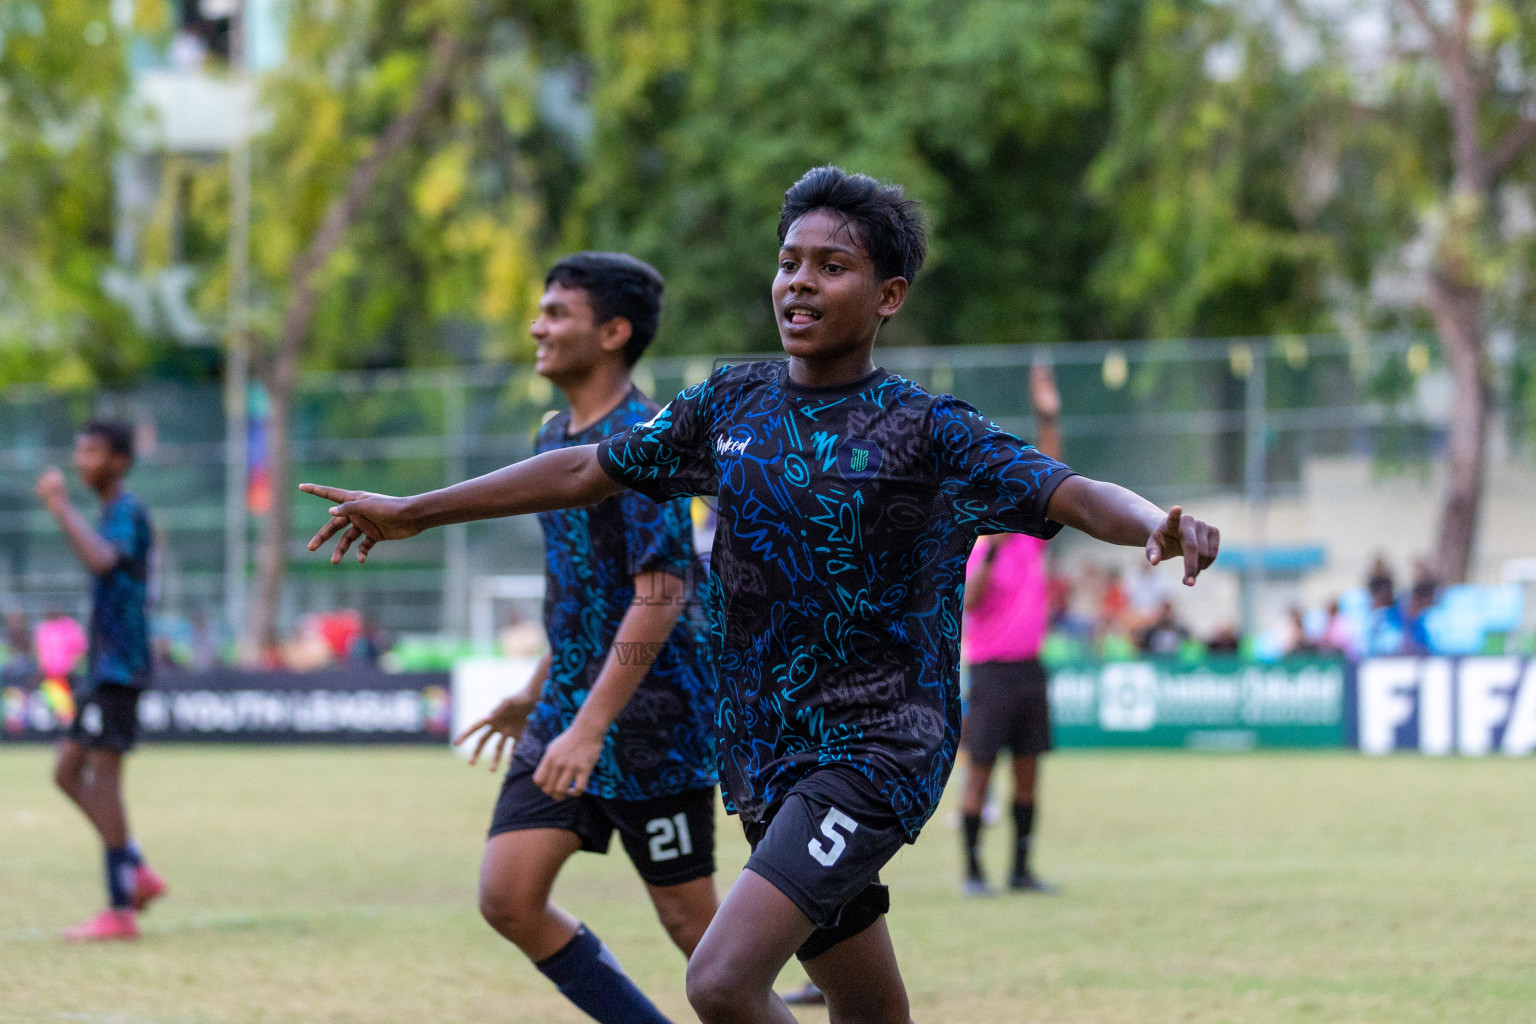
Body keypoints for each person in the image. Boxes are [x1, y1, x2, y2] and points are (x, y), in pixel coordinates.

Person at [300, 166, 1220, 1024]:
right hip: (764, 752)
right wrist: (416, 511)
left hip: (878, 747)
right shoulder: (728, 407)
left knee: (722, 979)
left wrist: (1153, 524)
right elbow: (586, 467)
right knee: (869, 1011)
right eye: (788, 263)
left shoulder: (929, 430)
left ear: (888, 296)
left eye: (833, 266)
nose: (799, 283)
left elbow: (1070, 490)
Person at [451, 253, 720, 1024]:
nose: (537, 325)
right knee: (509, 896)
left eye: (556, 313)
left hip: (653, 720)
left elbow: (661, 591)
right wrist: (537, 694)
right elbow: (586, 592)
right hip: (566, 706)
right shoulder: (549, 438)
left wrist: (591, 726)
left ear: (613, 332)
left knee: (695, 930)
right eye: (540, 310)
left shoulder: (647, 437)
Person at [34, 419, 166, 941]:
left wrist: (61, 508)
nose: (80, 459)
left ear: (119, 462)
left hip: (121, 667)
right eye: (78, 448)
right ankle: (136, 867)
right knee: (68, 772)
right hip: (106, 665)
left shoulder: (128, 511)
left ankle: (121, 909)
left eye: (91, 451)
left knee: (101, 778)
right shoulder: (112, 512)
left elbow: (101, 560)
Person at [956, 363, 1066, 898]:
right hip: (992, 672)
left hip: (1029, 670)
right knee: (980, 770)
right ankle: (974, 871)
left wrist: (1049, 416)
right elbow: (968, 604)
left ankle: (1021, 870)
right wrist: (992, 550)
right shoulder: (980, 548)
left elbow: (1057, 475)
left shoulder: (1032, 538)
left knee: (1028, 773)